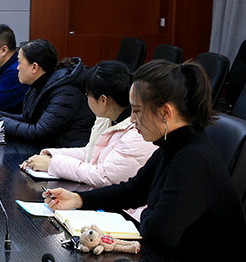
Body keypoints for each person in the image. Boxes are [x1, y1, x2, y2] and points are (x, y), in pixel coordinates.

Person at [43, 61, 246, 262]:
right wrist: (79, 199)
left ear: (165, 112)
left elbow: (160, 232)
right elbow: (132, 191)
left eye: (138, 111)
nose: (132, 119)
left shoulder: (193, 159)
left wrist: (146, 212)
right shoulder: (172, 147)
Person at [20, 61, 157, 218]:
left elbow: (104, 176)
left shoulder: (137, 133)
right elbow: (91, 153)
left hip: (127, 214)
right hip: (104, 201)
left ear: (103, 100)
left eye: (88, 95)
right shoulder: (106, 118)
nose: (86, 99)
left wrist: (53, 164)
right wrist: (51, 155)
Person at [0, 39, 94, 147]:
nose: (18, 68)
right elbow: (28, 118)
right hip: (48, 146)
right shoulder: (40, 83)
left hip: (64, 151)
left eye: (20, 62)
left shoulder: (65, 91)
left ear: (34, 67)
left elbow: (39, 132)